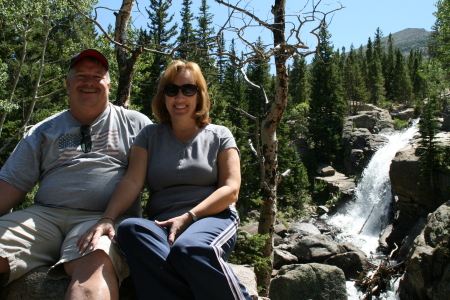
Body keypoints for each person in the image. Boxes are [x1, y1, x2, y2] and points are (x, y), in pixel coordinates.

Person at [78, 60, 252, 299]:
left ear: (199, 95)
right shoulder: (149, 135)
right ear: (163, 96)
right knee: (130, 229)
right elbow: (132, 182)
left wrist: (189, 217)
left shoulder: (219, 135)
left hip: (213, 217)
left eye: (188, 89)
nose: (179, 97)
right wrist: (107, 218)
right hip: (162, 226)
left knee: (190, 249)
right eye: (172, 90)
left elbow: (231, 189)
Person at [0, 49, 152, 299]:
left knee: (92, 275)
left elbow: (165, 172)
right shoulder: (44, 130)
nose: (89, 82)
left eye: (97, 75)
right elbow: (10, 184)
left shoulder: (136, 124)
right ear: (68, 83)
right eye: (81, 75)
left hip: (104, 219)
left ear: (109, 84)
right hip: (43, 217)